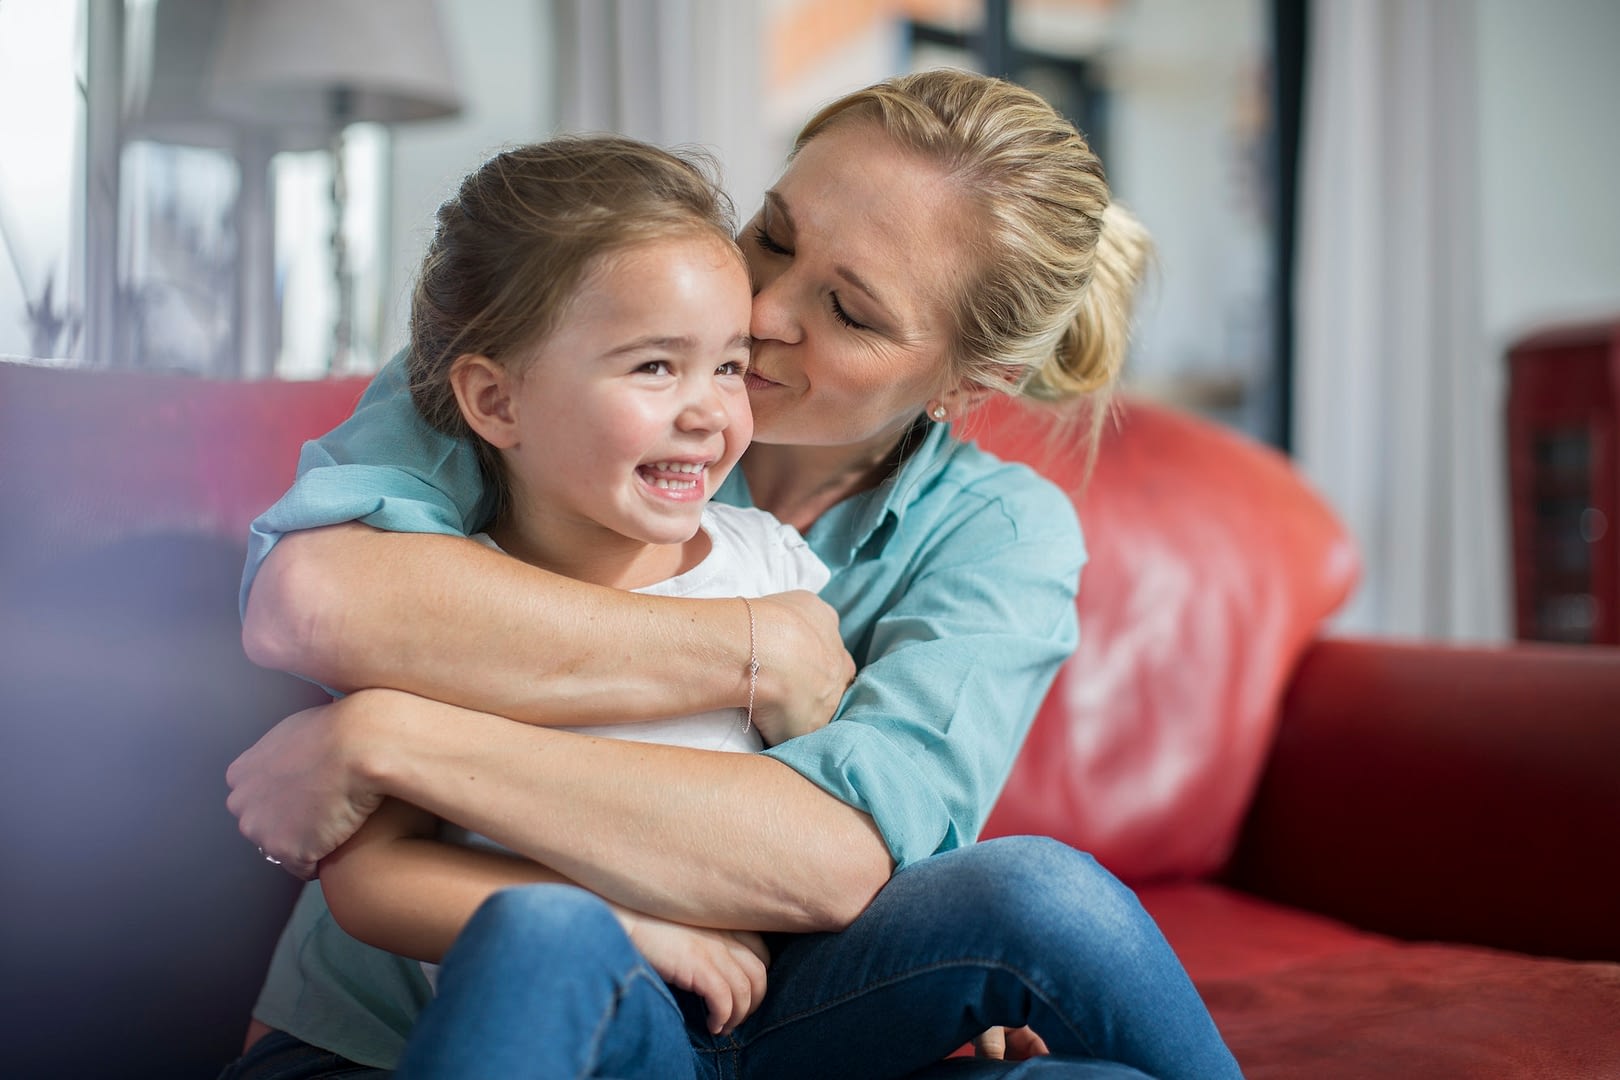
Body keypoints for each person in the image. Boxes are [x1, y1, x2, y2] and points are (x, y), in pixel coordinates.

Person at [226, 69, 1243, 1079]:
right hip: (419, 1029)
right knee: (547, 943)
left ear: (966, 383)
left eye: (848, 310)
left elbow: (836, 859)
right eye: (774, 238)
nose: (761, 311)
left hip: (770, 1007)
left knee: (1047, 915)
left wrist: (394, 737)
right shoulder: (547, 361)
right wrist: (755, 650)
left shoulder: (986, 535)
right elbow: (313, 605)